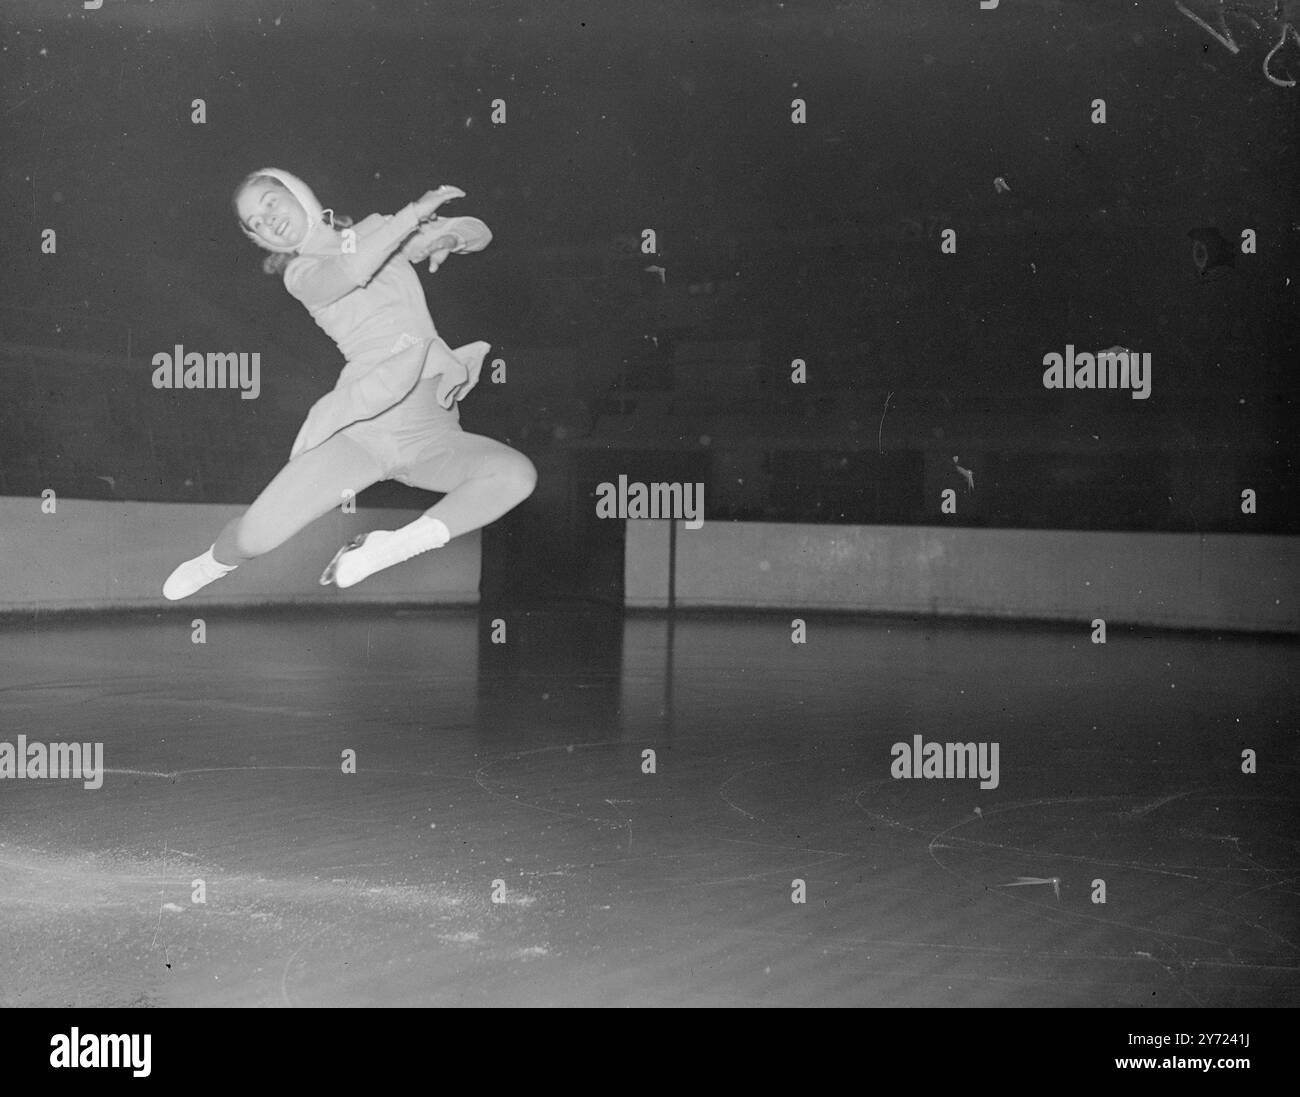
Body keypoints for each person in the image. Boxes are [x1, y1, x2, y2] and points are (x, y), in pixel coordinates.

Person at [163, 168, 535, 600]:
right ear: (260, 239)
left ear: (298, 193)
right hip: (364, 430)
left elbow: (479, 232)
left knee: (515, 476)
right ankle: (214, 562)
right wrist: (411, 217)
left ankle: (388, 549)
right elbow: (352, 268)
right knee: (254, 539)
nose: (269, 220)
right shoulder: (302, 274)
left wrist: (448, 238)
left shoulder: (375, 233)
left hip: (429, 428)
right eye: (257, 224)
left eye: (270, 203)